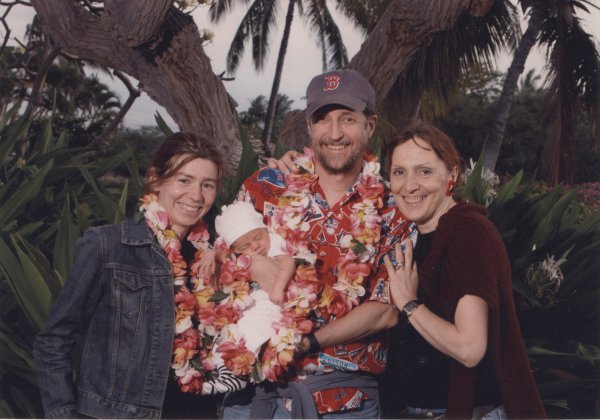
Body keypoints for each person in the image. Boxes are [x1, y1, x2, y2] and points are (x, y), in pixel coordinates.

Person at [222, 69, 413, 419]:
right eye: (323, 119)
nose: (335, 133)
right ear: (310, 126)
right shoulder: (266, 186)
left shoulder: (393, 208)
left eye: (347, 119)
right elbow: (220, 263)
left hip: (343, 401)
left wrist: (307, 343)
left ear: (370, 125)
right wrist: (252, 266)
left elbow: (386, 310)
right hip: (254, 397)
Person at [33, 132, 224, 419]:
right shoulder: (108, 246)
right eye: (184, 180)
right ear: (156, 179)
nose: (196, 196)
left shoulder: (217, 258)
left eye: (207, 185)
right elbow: (53, 340)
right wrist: (62, 414)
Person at [382, 121, 546, 419]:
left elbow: (469, 348)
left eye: (424, 171)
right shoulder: (420, 235)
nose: (409, 185)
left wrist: (408, 303)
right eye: (399, 172)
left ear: (452, 175)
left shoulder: (467, 232)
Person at [200, 201, 296, 395]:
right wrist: (212, 253)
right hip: (251, 298)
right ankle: (226, 373)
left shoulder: (274, 241)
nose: (255, 246)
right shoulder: (239, 252)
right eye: (245, 247)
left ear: (264, 228)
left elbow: (288, 262)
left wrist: (278, 288)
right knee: (230, 332)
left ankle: (238, 375)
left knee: (255, 328)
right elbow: (226, 255)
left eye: (258, 237)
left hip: (271, 299)